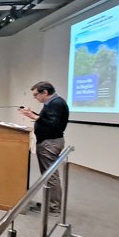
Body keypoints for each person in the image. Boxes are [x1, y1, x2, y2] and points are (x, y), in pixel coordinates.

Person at [19, 81, 69, 215]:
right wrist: (33, 114)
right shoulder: (52, 103)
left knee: (50, 175)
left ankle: (53, 207)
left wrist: (34, 117)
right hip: (47, 142)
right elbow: (47, 119)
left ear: (45, 92)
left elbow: (54, 125)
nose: (35, 98)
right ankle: (51, 203)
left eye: (36, 95)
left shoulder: (56, 103)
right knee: (48, 175)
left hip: (50, 142)